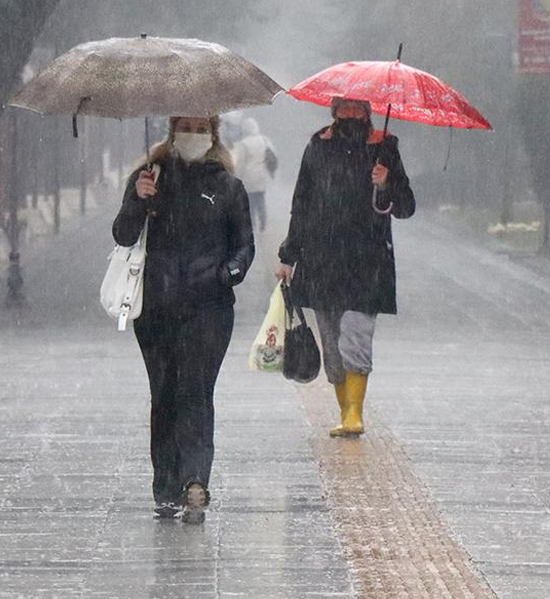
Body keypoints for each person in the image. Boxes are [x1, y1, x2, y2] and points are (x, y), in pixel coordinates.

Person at [112, 116, 255, 523]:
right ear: (172, 131)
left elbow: (244, 247)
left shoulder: (228, 187)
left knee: (195, 391)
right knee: (164, 394)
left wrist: (225, 274)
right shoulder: (150, 177)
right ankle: (165, 485)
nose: (192, 133)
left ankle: (194, 480)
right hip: (156, 307)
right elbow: (123, 234)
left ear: (213, 133)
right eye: (185, 125)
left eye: (200, 126)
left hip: (208, 310)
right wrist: (138, 199)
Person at [276, 97, 415, 438]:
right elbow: (302, 203)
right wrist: (288, 255)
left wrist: (386, 184)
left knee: (355, 335)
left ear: (368, 112)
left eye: (357, 108)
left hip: (368, 263)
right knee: (332, 343)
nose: (350, 114)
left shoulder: (385, 146)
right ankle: (344, 410)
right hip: (322, 260)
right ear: (333, 110)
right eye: (344, 108)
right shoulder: (317, 145)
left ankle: (355, 413)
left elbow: (406, 206)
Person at [231, 117, 278, 232]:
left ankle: (253, 225)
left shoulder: (243, 144)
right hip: (262, 176)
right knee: (260, 199)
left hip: (248, 177)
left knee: (250, 202)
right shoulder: (264, 140)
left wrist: (237, 177)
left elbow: (240, 163)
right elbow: (272, 155)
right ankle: (263, 221)